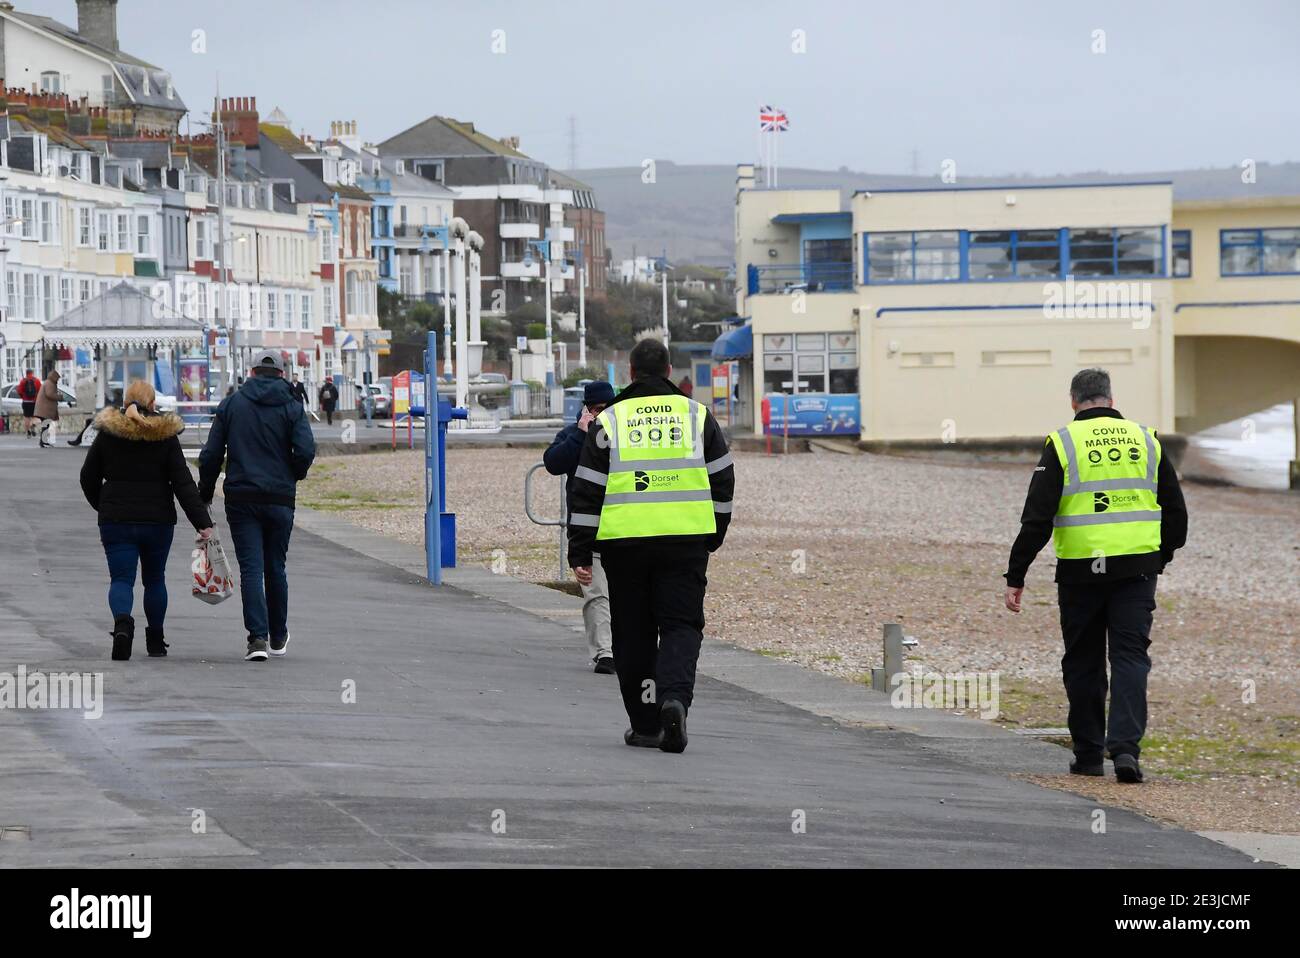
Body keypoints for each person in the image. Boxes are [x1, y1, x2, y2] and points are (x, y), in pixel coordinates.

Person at [1004, 368, 1187, 785]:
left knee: (1083, 661)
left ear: (1073, 401)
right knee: (1130, 657)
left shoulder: (1063, 443)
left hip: (1081, 571)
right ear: (1110, 398)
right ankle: (1125, 750)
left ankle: (1088, 755)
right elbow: (1175, 511)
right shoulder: (1147, 439)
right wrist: (1162, 557)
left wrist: (1017, 574)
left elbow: (1037, 516)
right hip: (1137, 569)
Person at [567, 338, 735, 753]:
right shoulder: (697, 415)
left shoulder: (612, 421)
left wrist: (580, 551)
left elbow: (587, 490)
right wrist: (715, 532)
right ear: (668, 369)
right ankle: (674, 700)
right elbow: (723, 477)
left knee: (635, 633)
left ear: (630, 372)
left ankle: (645, 724)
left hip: (626, 545)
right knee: (681, 626)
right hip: (686, 540)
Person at [79, 380, 214, 660]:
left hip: (116, 520)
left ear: (125, 401)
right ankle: (155, 640)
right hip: (158, 522)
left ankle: (122, 626)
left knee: (121, 579)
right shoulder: (164, 435)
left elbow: (87, 476)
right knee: (154, 580)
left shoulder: (108, 433)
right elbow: (183, 483)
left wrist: (103, 505)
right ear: (153, 404)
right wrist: (203, 522)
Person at [199, 349, 316, 662]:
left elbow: (211, 454)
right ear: (281, 373)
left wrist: (206, 491)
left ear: (251, 373)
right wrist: (293, 474)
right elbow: (306, 449)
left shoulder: (232, 404)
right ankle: (279, 635)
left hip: (242, 497)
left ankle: (257, 639)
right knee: (275, 567)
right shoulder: (292, 405)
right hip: (279, 498)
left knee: (252, 568)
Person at [543, 380, 617, 674]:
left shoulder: (623, 433)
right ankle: (605, 652)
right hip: (587, 528)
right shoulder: (573, 434)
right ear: (586, 409)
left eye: (607, 409)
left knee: (621, 594)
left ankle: (622, 647)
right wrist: (580, 434)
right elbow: (553, 463)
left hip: (621, 525)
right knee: (595, 592)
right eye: (597, 409)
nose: (602, 415)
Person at [67, 372, 101, 447]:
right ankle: (78, 440)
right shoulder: (94, 387)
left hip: (95, 410)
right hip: (91, 409)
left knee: (89, 425)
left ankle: (78, 440)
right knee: (89, 425)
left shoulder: (97, 387)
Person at [34, 369, 62, 448]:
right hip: (45, 409)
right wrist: (60, 397)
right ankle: (43, 442)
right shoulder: (50, 383)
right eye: (57, 378)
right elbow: (50, 394)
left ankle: (43, 441)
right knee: (45, 425)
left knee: (45, 425)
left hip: (43, 409)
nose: (58, 380)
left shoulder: (48, 382)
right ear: (54, 377)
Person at [16, 368, 40, 438]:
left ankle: (28, 433)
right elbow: (40, 391)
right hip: (34, 401)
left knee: (26, 417)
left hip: (26, 402)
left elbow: (19, 391)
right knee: (35, 416)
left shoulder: (23, 381)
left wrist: (23, 397)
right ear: (32, 373)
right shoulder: (37, 381)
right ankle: (33, 424)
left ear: (26, 373)